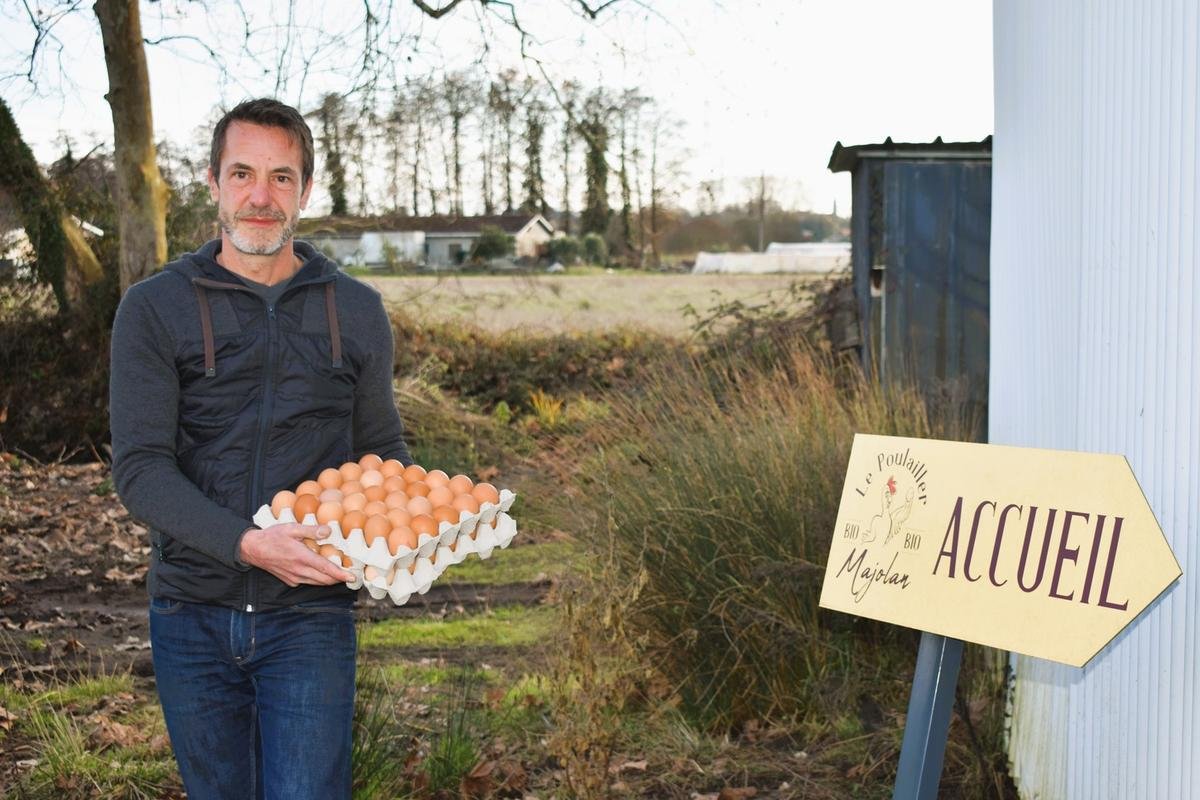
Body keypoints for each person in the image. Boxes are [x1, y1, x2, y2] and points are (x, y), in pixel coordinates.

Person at [109, 97, 412, 799]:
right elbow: (141, 470)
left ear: (305, 192)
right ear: (212, 184)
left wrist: (406, 529)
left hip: (309, 615)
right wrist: (248, 543)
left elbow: (381, 447)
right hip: (191, 613)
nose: (260, 197)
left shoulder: (356, 310)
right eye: (242, 173)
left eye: (282, 178)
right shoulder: (155, 308)